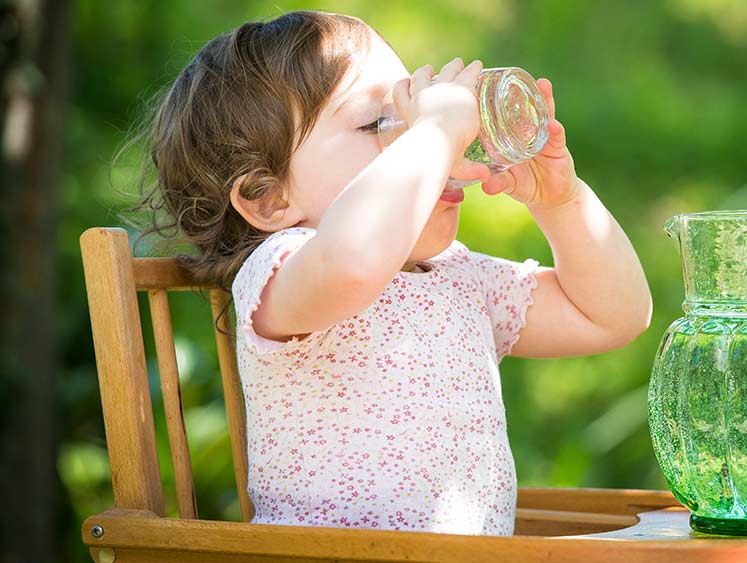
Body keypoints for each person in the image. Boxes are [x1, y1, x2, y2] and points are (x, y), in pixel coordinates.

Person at [132, 10, 652, 535]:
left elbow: (611, 317)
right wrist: (436, 127)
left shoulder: (456, 277)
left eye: (412, 111)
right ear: (268, 199)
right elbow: (356, 260)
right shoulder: (283, 267)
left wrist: (561, 202)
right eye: (381, 124)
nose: (428, 145)